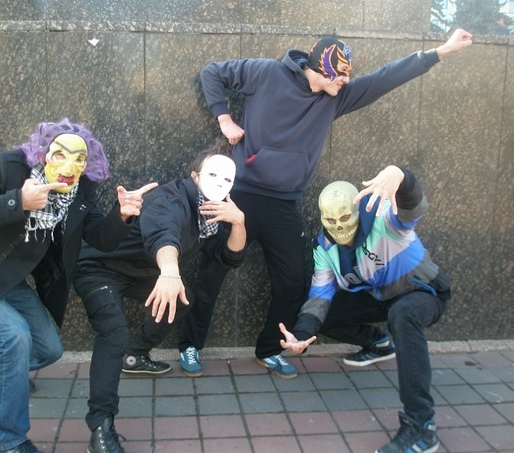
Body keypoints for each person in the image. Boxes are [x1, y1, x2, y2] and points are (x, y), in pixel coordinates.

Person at [177, 29, 472, 379]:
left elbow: (385, 77)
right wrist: (224, 118)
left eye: (347, 75)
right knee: (212, 272)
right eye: (340, 75)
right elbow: (212, 72)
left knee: (291, 285)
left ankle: (269, 350)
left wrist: (441, 51)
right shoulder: (265, 73)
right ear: (319, 69)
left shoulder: (335, 97)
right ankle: (190, 344)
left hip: (284, 204)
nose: (345, 81)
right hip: (240, 195)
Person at [0, 118, 156, 453]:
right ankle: (8, 441)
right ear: (42, 153)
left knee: (49, 349)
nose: (69, 166)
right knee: (15, 337)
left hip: (8, 280)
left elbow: (100, 238)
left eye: (79, 159)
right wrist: (17, 202)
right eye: (60, 155)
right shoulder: (7, 168)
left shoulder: (79, 189)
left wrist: (122, 215)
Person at [72, 141, 247, 453]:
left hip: (141, 272)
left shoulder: (213, 212)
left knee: (183, 299)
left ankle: (135, 354)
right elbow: (162, 232)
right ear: (194, 176)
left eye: (227, 179)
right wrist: (169, 271)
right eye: (212, 175)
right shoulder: (171, 198)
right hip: (98, 266)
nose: (220, 183)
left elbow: (229, 257)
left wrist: (239, 222)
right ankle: (101, 427)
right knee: (113, 329)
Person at [280, 164, 451, 453]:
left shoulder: (385, 219)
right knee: (320, 314)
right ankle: (378, 343)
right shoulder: (324, 247)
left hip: (422, 292)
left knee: (403, 314)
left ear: (357, 212)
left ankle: (422, 427)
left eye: (345, 217)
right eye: (331, 220)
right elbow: (319, 297)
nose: (339, 227)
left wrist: (402, 177)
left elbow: (414, 207)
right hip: (380, 296)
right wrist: (301, 335)